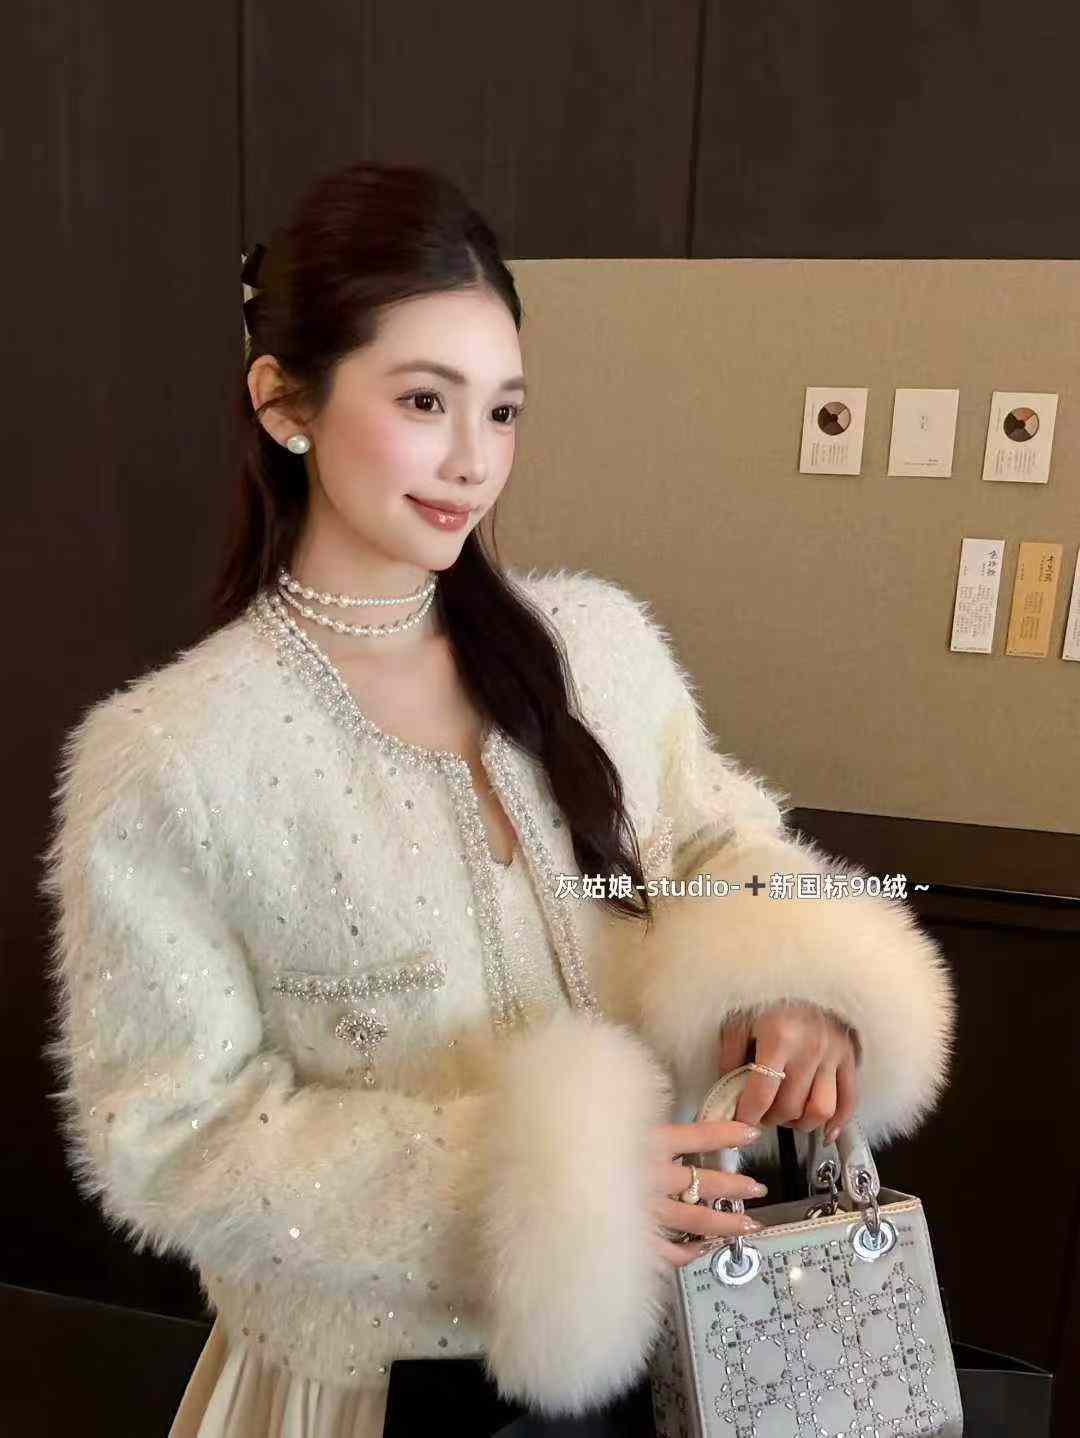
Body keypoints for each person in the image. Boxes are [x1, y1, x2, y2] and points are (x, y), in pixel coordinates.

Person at [39, 161, 956, 1438]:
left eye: (505, 409)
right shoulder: (174, 757)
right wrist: (542, 1189)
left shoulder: (595, 647)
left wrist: (790, 983)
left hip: (688, 1355)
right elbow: (172, 1132)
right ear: (285, 402)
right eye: (425, 400)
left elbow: (712, 837)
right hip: (369, 1391)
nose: (474, 462)